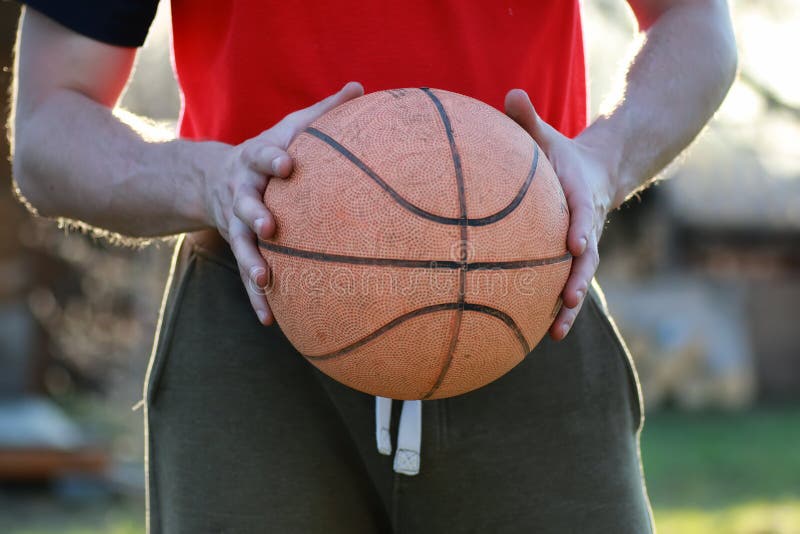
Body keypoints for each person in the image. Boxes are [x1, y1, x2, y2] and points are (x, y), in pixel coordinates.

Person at [10, 1, 737, 532]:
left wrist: (603, 162)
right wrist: (209, 180)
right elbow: (48, 129)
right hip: (253, 311)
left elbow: (697, 23)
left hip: (526, 299)